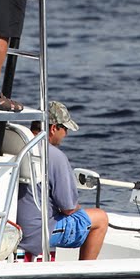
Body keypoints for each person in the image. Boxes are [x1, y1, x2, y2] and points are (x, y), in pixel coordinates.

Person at [16, 101, 108, 260]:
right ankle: (84, 275)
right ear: (53, 128)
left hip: (13, 226)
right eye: (65, 129)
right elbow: (68, 208)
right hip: (36, 233)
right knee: (100, 218)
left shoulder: (17, 145)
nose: (66, 134)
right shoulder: (54, 155)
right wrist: (77, 207)